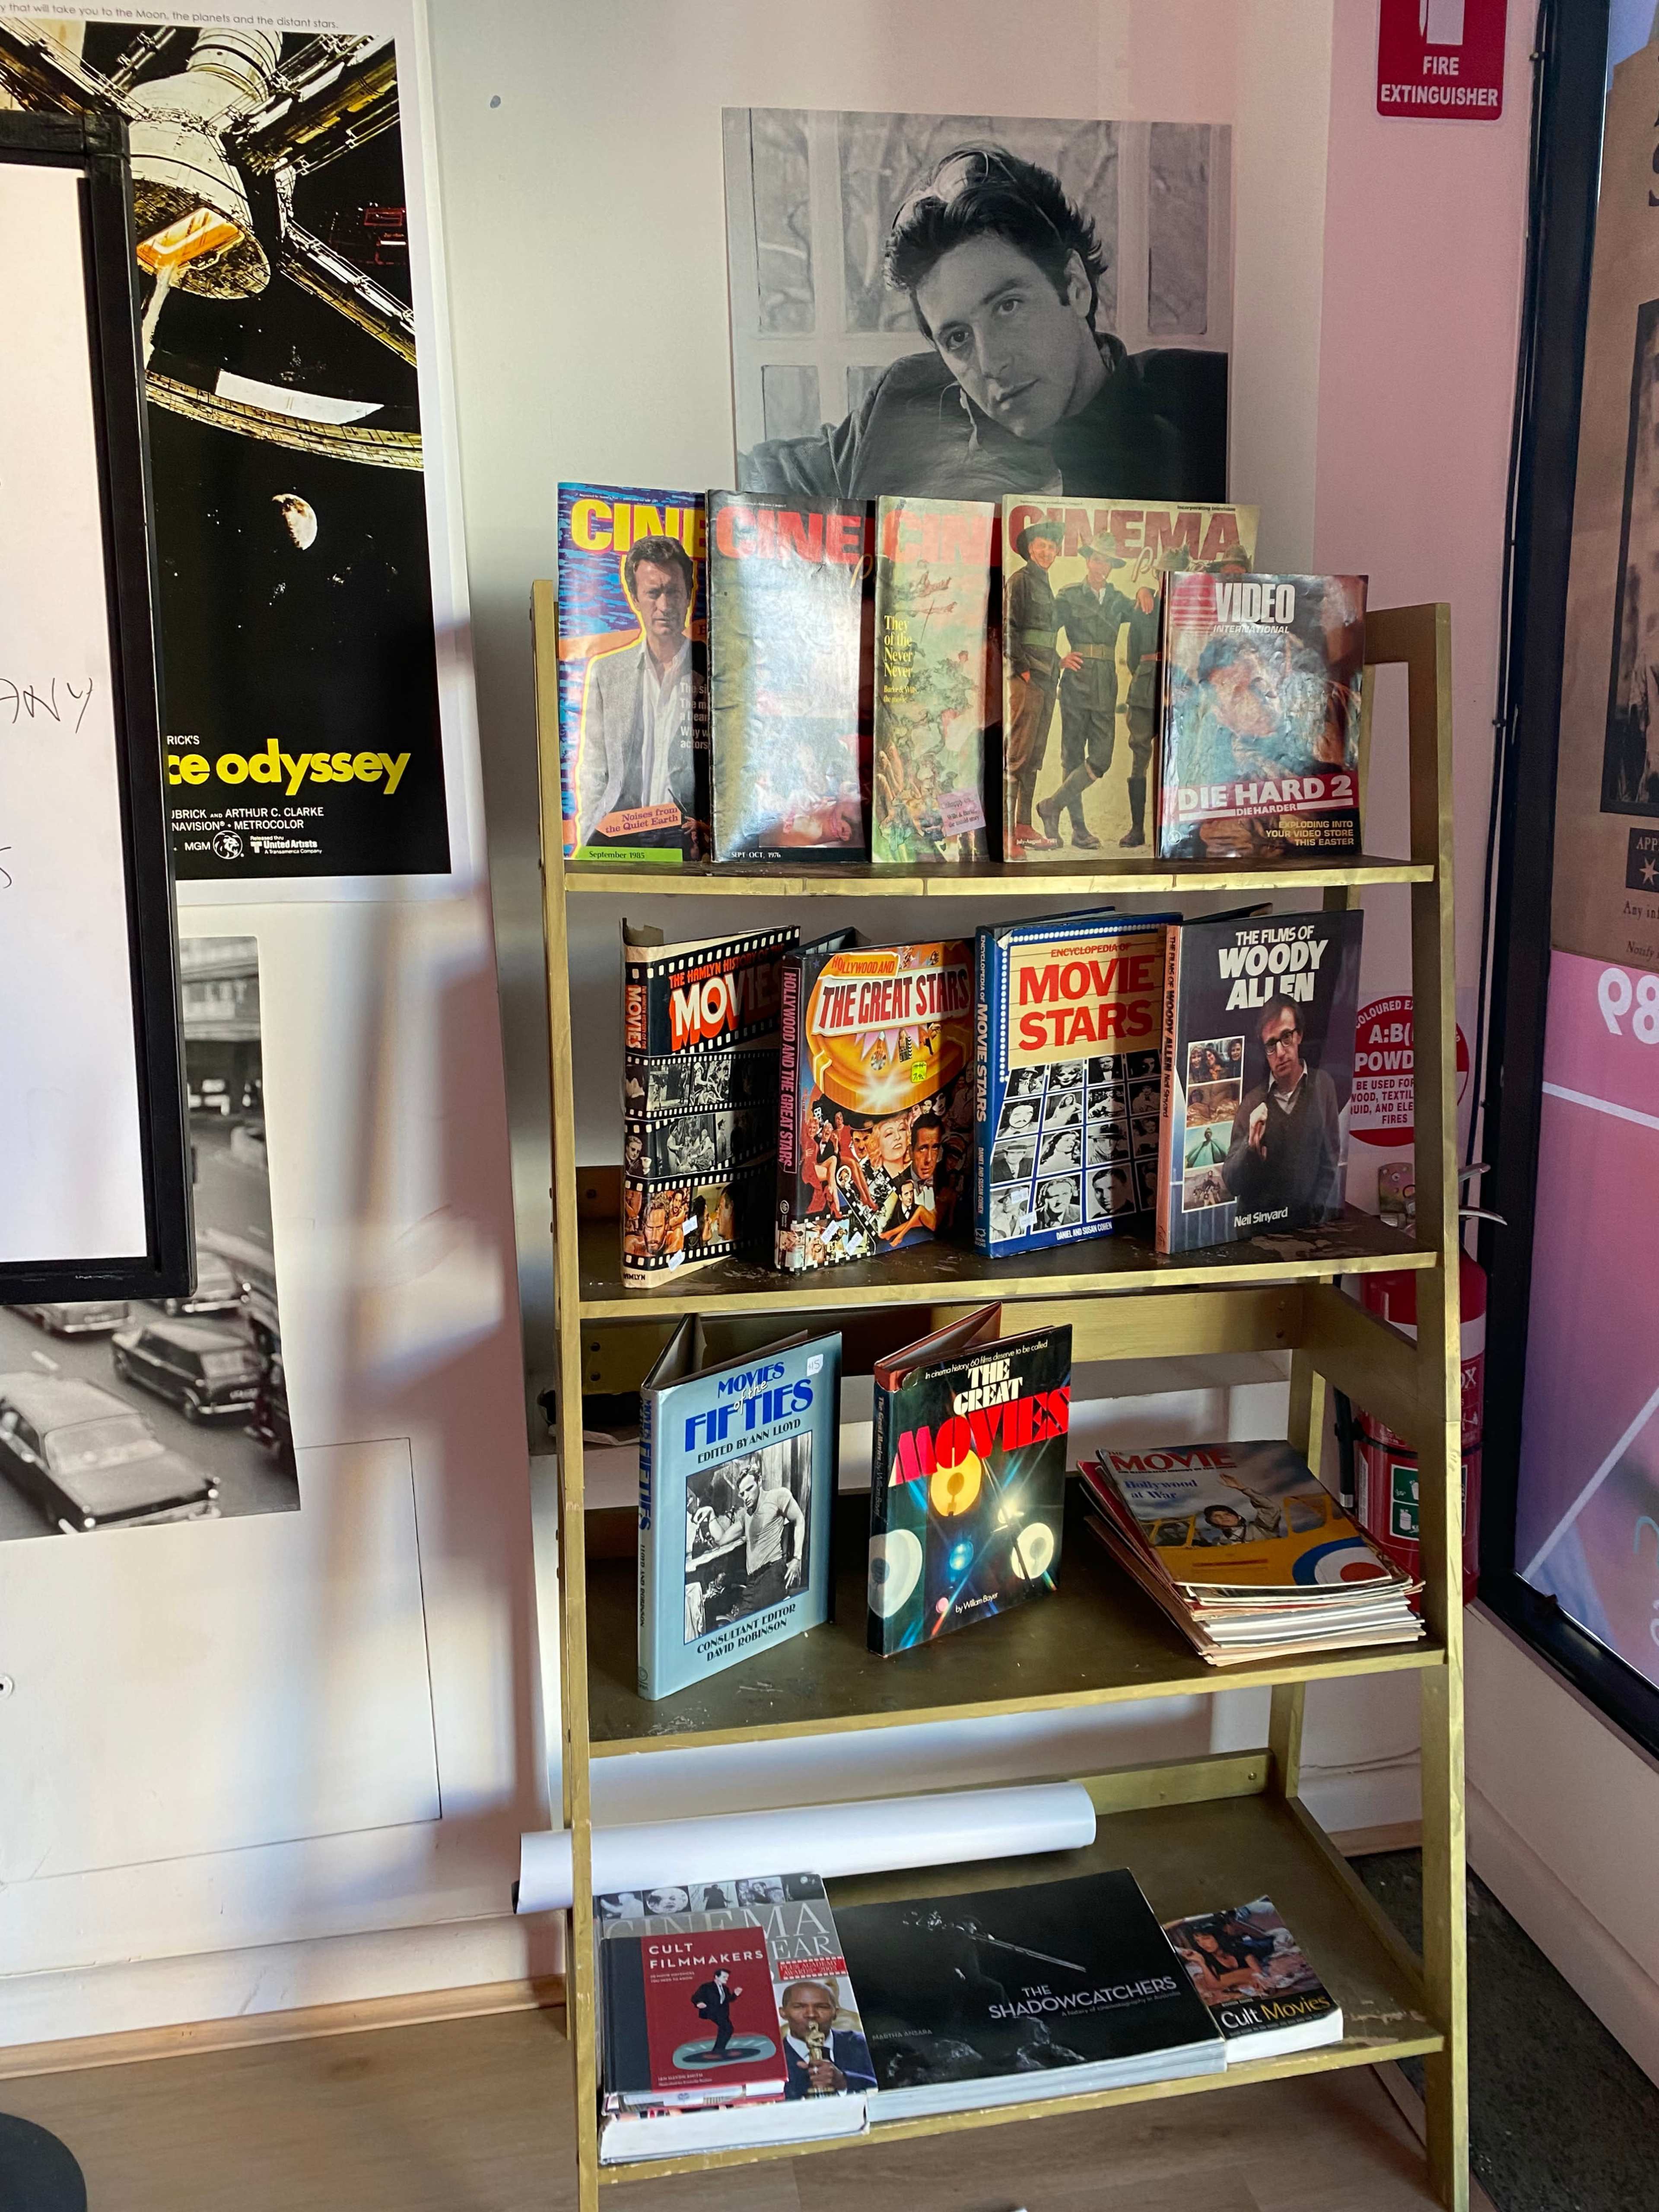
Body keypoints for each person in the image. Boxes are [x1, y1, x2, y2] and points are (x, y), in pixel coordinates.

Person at [739, 144, 1225, 502]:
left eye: (1008, 307)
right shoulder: (903, 404)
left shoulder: (1203, 404)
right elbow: (752, 483)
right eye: (957, 338)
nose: (992, 363)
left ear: (1075, 286)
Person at [575, 534, 696, 850]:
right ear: (635, 598)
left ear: (688, 595)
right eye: (653, 593)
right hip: (619, 838)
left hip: (689, 843)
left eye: (674, 592)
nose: (664, 606)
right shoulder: (607, 672)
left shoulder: (715, 673)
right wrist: (589, 832)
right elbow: (594, 768)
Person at [1039, 534, 1135, 848]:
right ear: (1088, 561)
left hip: (1106, 684)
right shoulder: (1069, 596)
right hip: (1077, 683)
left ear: (1111, 567)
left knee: (1101, 758)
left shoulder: (1119, 600)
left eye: (1106, 562)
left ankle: (1051, 805)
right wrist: (1058, 659)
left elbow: (1146, 614)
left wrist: (1146, 591)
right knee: (1072, 754)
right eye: (1096, 560)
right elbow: (1044, 630)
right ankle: (1080, 831)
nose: (1100, 567)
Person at [1222, 995, 1342, 1230]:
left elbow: (1330, 1158)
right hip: (1259, 1234)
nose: (1280, 1052)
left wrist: (1315, 1211)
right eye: (1271, 1044)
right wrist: (1250, 1147)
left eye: (1286, 1037)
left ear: (1299, 1036)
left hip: (1305, 1229)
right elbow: (1232, 1183)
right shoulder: (1252, 1103)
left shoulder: (1323, 1085)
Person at [1004, 518, 1063, 846]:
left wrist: (1057, 664)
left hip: (1047, 677)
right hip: (1028, 678)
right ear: (1030, 549)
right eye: (1042, 546)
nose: (1047, 552)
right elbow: (1008, 627)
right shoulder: (1020, 581)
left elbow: (1047, 634)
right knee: (1018, 754)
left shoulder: (1046, 585)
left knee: (1035, 755)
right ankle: (1006, 831)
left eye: (1052, 547)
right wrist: (1023, 669)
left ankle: (1024, 825)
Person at [707, 1461, 805, 1617]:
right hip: (752, 1582)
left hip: (771, 1574)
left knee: (766, 1622)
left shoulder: (778, 1496)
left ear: (759, 1481)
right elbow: (721, 1540)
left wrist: (797, 1559)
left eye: (749, 1489)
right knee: (742, 1620)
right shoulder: (746, 1514)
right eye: (742, 1494)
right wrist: (711, 1515)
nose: (746, 1497)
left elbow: (799, 1519)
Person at [779, 1981, 877, 2098]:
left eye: (822, 2007)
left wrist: (844, 2081)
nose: (811, 2014)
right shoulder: (774, 2058)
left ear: (836, 2013)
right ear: (783, 2013)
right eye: (800, 2007)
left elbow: (889, 2083)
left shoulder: (861, 2044)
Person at [692, 1965, 741, 2057]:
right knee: (728, 2028)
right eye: (724, 1977)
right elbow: (695, 1997)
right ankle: (719, 2050)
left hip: (723, 2013)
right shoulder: (706, 1987)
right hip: (711, 2012)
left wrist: (735, 1994)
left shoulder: (725, 1989)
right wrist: (699, 2003)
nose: (727, 1979)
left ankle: (718, 2050)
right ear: (717, 1977)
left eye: (727, 1977)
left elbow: (728, 1999)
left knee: (725, 2029)